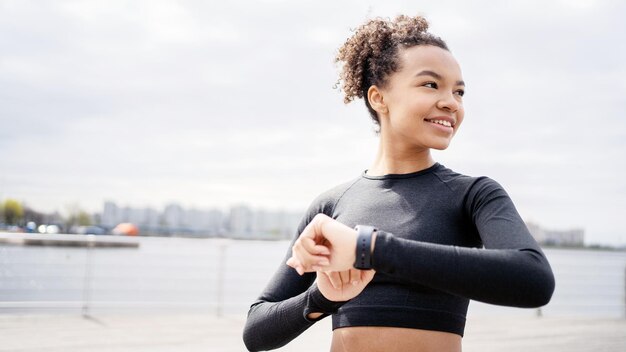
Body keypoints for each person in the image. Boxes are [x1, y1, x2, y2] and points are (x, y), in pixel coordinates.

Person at [243, 14, 555, 352]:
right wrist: (322, 297)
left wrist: (369, 249)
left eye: (459, 91)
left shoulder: (474, 195)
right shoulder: (331, 206)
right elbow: (257, 332)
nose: (452, 101)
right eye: (431, 84)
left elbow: (533, 280)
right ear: (379, 98)